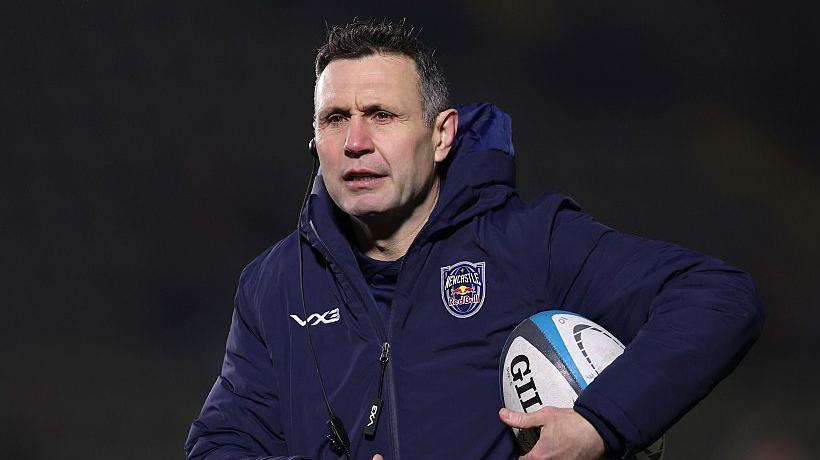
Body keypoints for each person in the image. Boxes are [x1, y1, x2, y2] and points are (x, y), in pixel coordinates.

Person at [185, 19, 764, 460]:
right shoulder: (274, 285)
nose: (355, 140)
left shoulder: (526, 244)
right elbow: (219, 446)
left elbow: (719, 297)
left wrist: (600, 424)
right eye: (335, 118)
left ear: (442, 137)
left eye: (382, 114)